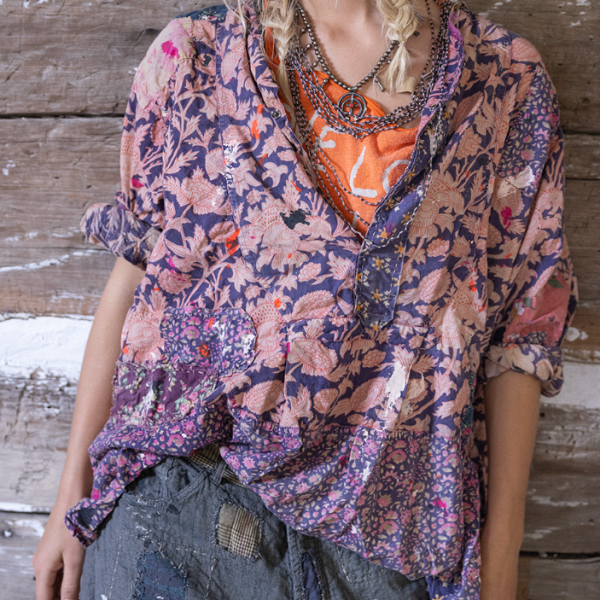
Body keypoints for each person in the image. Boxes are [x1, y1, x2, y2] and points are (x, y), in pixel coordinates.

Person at [33, 0, 577, 599]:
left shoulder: (505, 80)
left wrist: (499, 560)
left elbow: (521, 338)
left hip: (387, 544)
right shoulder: (195, 54)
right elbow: (136, 278)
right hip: (182, 510)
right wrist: (71, 503)